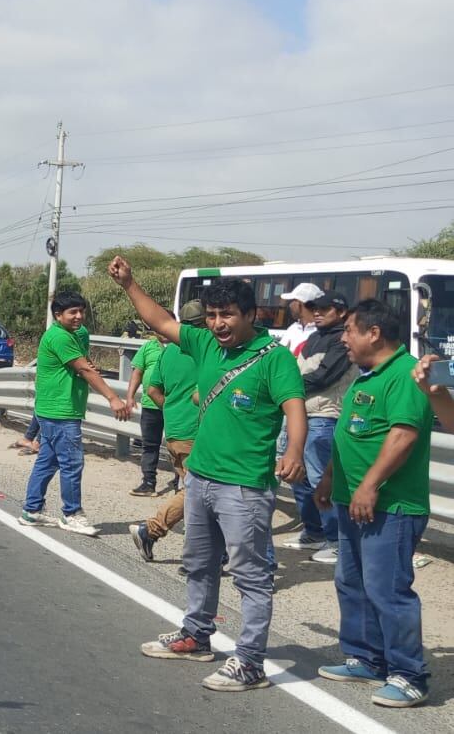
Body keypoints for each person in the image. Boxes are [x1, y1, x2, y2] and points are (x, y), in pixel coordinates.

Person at [111, 259, 306, 693]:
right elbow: (159, 320)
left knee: (250, 576)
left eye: (228, 315)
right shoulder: (205, 344)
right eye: (213, 315)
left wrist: (294, 450)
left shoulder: (274, 359)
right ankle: (196, 636)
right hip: (200, 477)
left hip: (245, 485)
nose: (218, 323)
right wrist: (129, 283)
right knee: (199, 564)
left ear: (250, 315)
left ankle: (250, 662)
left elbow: (295, 407)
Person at [309, 302, 438, 709]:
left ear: (374, 333)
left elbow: (403, 435)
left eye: (349, 330)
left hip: (391, 506)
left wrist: (369, 485)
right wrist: (330, 478)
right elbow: (351, 432)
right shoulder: (365, 376)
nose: (343, 339)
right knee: (351, 582)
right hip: (353, 501)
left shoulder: (406, 375)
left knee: (388, 589)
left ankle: (409, 675)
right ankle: (366, 659)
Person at [18, 293, 130, 538]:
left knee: (48, 461)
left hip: (57, 408)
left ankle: (32, 510)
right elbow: (84, 369)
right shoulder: (59, 336)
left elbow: (85, 362)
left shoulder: (78, 333)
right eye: (72, 312)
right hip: (60, 410)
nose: (79, 316)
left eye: (81, 311)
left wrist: (88, 364)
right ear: (58, 315)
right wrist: (113, 398)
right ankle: (72, 514)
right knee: (72, 462)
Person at [281, 289, 357, 564]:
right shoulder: (314, 337)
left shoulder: (342, 340)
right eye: (314, 308)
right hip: (301, 415)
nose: (317, 312)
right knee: (298, 478)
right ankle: (314, 532)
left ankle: (337, 541)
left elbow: (323, 377)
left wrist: (286, 387)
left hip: (324, 417)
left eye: (324, 309)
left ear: (341, 312)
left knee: (320, 481)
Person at [129, 300, 205, 561]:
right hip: (196, 432)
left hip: (175, 430)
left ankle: (206, 552)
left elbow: (152, 389)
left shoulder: (169, 351)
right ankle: (152, 530)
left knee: (196, 491)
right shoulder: (206, 349)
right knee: (198, 491)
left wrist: (172, 410)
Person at [126, 322, 168, 496]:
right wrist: (130, 396)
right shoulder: (148, 347)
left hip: (175, 405)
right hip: (151, 405)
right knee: (150, 445)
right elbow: (137, 372)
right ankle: (148, 482)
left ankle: (180, 482)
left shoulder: (182, 348)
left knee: (177, 445)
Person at [277, 283, 323, 352]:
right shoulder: (293, 328)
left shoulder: (321, 331)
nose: (290, 305)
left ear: (300, 303)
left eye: (292, 301)